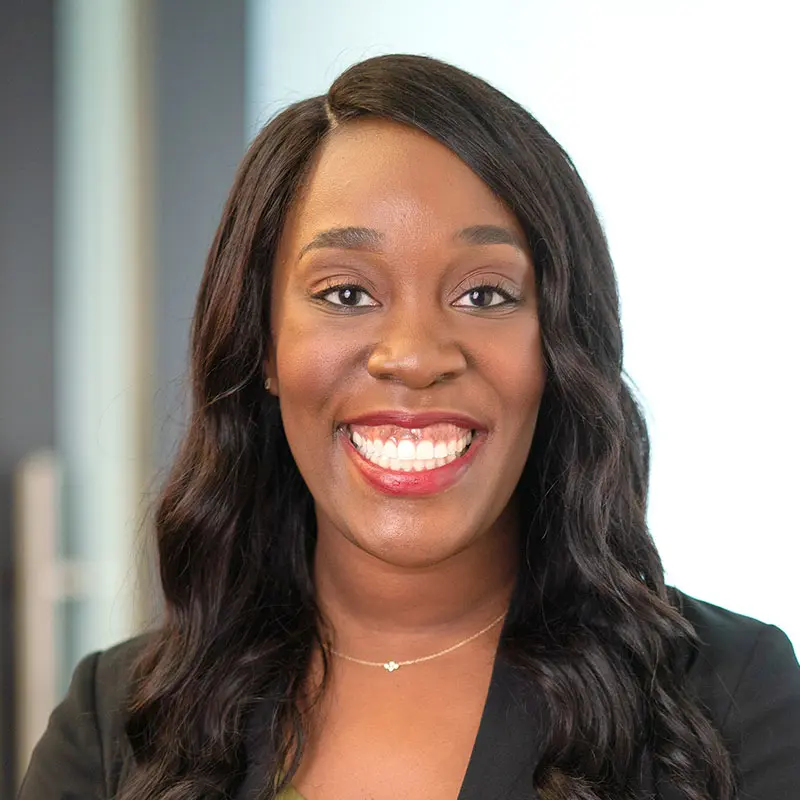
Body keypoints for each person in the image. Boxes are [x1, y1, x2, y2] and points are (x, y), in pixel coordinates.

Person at [19, 54, 800, 800]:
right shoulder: (116, 727)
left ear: (561, 349)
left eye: (485, 295)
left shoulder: (726, 700)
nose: (415, 358)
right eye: (347, 294)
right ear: (263, 344)